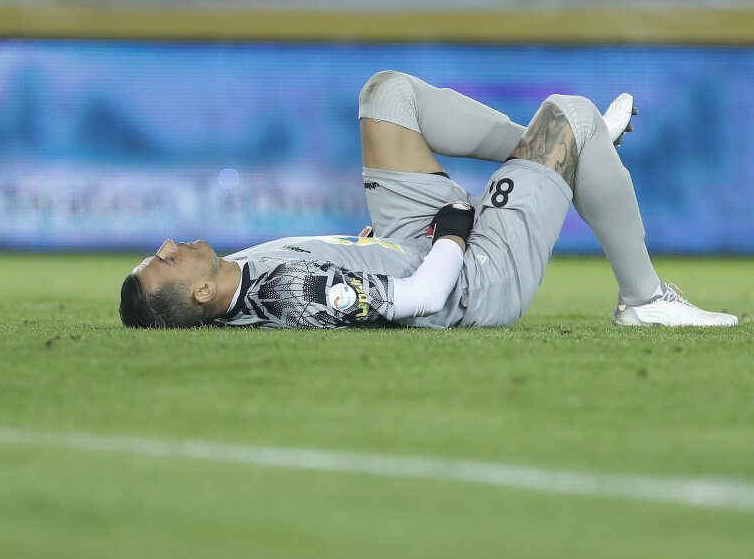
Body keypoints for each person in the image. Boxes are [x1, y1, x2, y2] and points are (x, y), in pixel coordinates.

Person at [118, 71, 739, 330]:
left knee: (386, 95)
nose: (169, 245)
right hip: (467, 277)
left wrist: (370, 249)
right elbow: (422, 298)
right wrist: (453, 233)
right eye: (166, 261)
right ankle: (644, 299)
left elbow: (341, 270)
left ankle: (558, 153)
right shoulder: (285, 292)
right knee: (572, 114)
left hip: (405, 243)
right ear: (201, 294)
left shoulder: (238, 277)